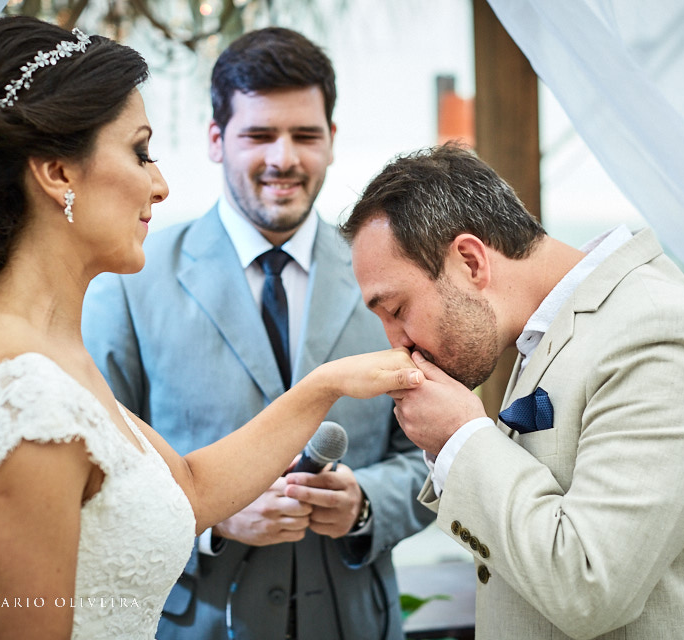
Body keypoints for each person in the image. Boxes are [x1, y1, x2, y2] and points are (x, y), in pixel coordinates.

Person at [0, 16, 421, 640]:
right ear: (58, 173)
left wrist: (324, 385)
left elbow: (189, 488)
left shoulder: (47, 352)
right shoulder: (20, 398)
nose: (160, 184)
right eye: (140, 151)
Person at [81, 27, 434, 640]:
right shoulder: (129, 283)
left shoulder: (392, 276)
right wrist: (208, 518)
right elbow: (94, 482)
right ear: (217, 140)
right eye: (258, 135)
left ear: (331, 140)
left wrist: (366, 502)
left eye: (304, 135)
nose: (283, 159)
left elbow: (434, 457)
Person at [340, 143, 684, 640]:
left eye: (396, 309)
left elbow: (590, 586)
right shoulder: (548, 332)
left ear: (471, 262)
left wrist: (460, 438)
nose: (397, 343)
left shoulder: (660, 333)